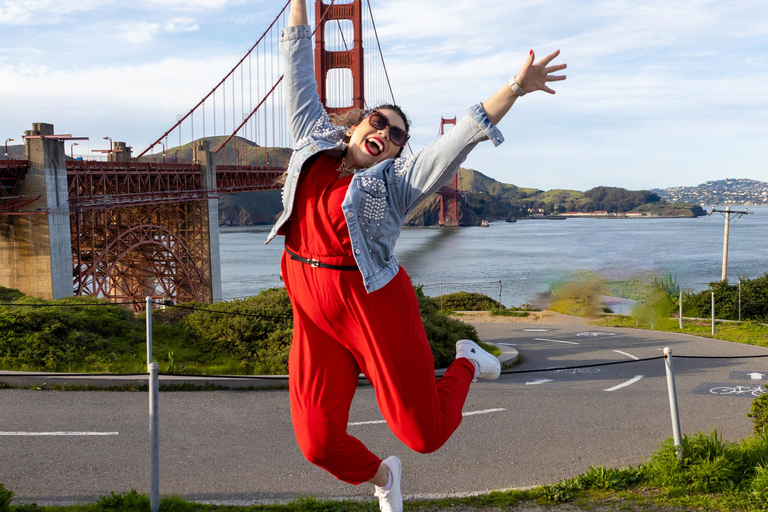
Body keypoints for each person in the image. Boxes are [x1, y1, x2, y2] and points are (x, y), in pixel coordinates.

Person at [266, 2, 566, 510]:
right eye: (379, 121)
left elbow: (461, 137)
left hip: (373, 307)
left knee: (424, 435)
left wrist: (515, 88)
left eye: (397, 135)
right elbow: (296, 62)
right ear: (359, 124)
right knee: (317, 444)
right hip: (312, 308)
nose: (384, 132)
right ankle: (383, 475)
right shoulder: (310, 139)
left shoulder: (398, 185)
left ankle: (467, 361)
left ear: (399, 151)